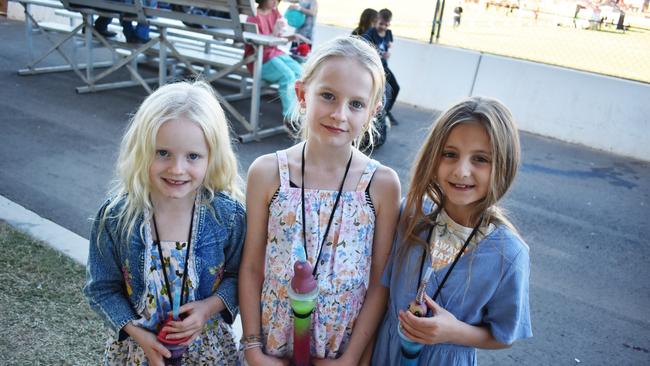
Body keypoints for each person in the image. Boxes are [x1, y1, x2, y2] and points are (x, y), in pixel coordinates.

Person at [239, 36, 401, 365]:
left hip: (340, 350)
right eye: (328, 96)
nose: (340, 114)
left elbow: (379, 283)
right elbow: (252, 267)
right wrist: (253, 349)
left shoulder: (382, 185)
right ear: (302, 95)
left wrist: (352, 357)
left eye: (356, 104)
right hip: (273, 344)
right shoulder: (267, 173)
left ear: (373, 112)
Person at [83, 80, 246, 365]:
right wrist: (137, 334)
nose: (177, 169)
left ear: (213, 157)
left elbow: (240, 276)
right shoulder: (117, 216)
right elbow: (101, 288)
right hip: (138, 350)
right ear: (142, 149)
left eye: (193, 156)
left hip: (207, 350)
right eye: (163, 153)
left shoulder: (228, 215)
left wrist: (208, 308)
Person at [372, 97, 532, 365]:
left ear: (504, 165)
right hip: (384, 353)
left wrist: (455, 332)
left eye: (481, 159)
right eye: (450, 154)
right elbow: (380, 291)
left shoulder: (510, 254)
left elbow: (504, 335)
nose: (462, 170)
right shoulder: (409, 215)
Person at [244, 0, 306, 123]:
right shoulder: (253, 17)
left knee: (301, 72)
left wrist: (291, 37)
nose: (276, 2)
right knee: (287, 76)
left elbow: (277, 38)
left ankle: (299, 112)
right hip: (260, 59)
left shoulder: (275, 13)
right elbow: (260, 44)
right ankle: (290, 119)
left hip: (275, 54)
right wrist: (274, 33)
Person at [363, 8, 400, 126]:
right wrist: (376, 51)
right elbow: (364, 43)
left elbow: (389, 45)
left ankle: (386, 111)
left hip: (384, 66)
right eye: (381, 24)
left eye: (386, 24)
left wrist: (388, 51)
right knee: (382, 90)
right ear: (376, 21)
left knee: (395, 87)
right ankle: (378, 114)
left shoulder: (388, 33)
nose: (383, 27)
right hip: (374, 66)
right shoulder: (371, 32)